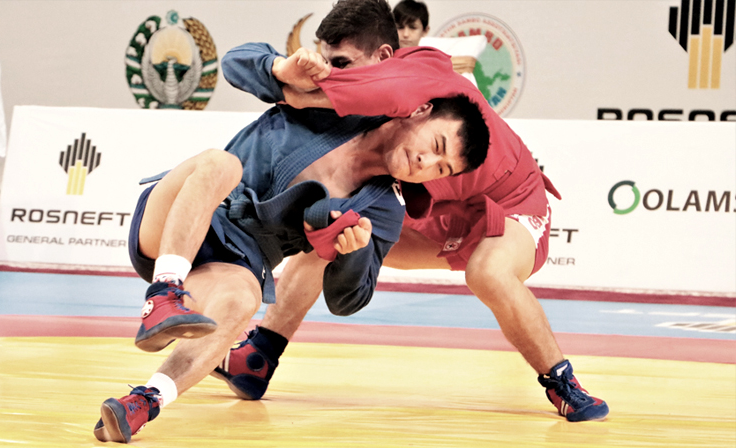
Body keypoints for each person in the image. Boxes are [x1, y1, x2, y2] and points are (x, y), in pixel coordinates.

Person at [215, 0, 609, 424]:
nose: (329, 71)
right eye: (327, 60)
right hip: (439, 205)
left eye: (342, 64)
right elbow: (262, 75)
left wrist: (287, 82)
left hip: (512, 200)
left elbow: (296, 93)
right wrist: (278, 67)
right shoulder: (382, 102)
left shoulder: (407, 89)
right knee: (334, 227)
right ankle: (259, 357)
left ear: (383, 59)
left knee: (488, 272)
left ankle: (561, 380)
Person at [92, 36, 489, 443]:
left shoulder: (384, 208)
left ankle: (143, 403)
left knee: (242, 303)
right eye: (436, 146)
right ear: (421, 112)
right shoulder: (337, 106)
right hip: (174, 224)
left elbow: (348, 299)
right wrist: (282, 70)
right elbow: (235, 62)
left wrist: (351, 254)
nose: (426, 164)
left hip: (232, 261)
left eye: (441, 169)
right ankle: (164, 294)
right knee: (220, 163)